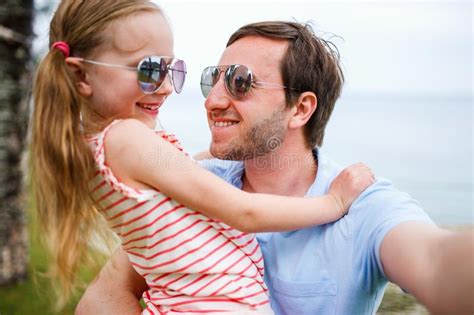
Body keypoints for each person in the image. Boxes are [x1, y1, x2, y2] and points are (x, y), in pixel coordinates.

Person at [75, 20, 474, 315]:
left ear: (301, 108)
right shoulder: (196, 185)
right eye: (212, 79)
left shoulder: (362, 204)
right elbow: (103, 298)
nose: (212, 100)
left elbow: (437, 261)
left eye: (240, 82)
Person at [30, 1, 375, 314]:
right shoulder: (127, 139)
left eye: (170, 69)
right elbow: (245, 211)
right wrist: (334, 200)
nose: (165, 87)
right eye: (148, 70)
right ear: (81, 75)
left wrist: (221, 148)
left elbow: (171, 172)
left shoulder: (96, 148)